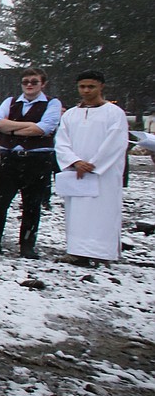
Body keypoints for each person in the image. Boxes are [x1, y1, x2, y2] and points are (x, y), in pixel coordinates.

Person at [0, 68, 63, 259]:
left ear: (43, 84)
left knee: (32, 204)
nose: (29, 85)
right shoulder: (10, 102)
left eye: (34, 82)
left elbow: (45, 127)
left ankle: (27, 244)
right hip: (9, 159)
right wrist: (29, 127)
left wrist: (11, 129)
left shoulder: (52, 103)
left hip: (37, 160)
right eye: (25, 81)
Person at [53, 70, 129, 266]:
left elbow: (116, 143)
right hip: (76, 172)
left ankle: (102, 252)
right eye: (82, 87)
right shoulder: (70, 114)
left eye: (91, 86)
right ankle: (77, 250)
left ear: (101, 86)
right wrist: (75, 161)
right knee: (76, 212)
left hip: (103, 173)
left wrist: (93, 164)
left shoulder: (114, 113)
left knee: (103, 211)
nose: (86, 91)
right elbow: (61, 141)